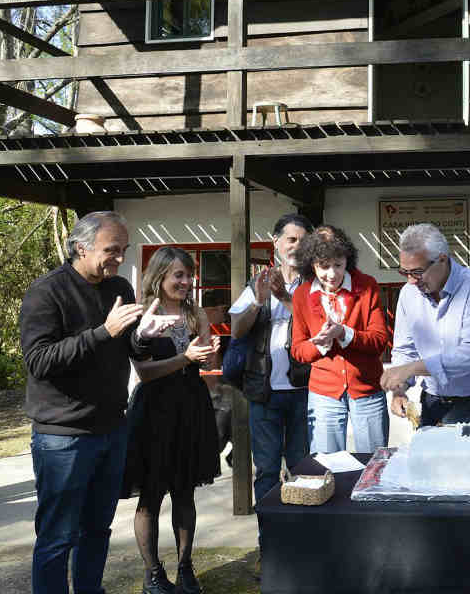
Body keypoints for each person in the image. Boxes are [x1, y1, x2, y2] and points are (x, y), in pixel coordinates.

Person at [19, 211, 179, 594]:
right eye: (111, 250)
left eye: (123, 250)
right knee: (58, 537)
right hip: (63, 437)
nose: (119, 258)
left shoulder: (118, 286)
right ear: (80, 247)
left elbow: (127, 348)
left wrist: (142, 335)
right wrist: (104, 332)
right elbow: (39, 361)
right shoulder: (47, 292)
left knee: (97, 530)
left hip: (111, 429)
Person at [120, 247, 221, 594]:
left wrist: (211, 353)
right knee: (150, 496)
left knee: (184, 492)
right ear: (159, 276)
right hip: (154, 413)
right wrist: (186, 357)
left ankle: (185, 567)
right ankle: (152, 574)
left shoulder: (196, 315)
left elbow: (206, 368)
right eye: (178, 274)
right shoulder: (144, 315)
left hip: (191, 409)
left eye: (189, 275)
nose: (186, 281)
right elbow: (145, 373)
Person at [227, 213, 314, 570]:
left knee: (303, 469)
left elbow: (318, 326)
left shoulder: (314, 284)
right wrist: (260, 301)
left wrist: (286, 298)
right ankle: (271, 545)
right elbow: (236, 330)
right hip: (264, 393)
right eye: (290, 239)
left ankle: (301, 544)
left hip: (303, 389)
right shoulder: (255, 283)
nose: (296, 246)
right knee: (265, 470)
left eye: (302, 240)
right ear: (275, 243)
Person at [381, 223, 470, 426]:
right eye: (405, 272)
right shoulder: (408, 293)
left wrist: (411, 369)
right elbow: (405, 349)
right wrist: (399, 389)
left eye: (417, 272)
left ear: (442, 260)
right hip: (433, 399)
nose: (411, 280)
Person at [291, 226, 391, 452]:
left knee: (374, 465)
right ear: (311, 265)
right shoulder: (301, 295)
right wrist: (320, 343)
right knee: (327, 466)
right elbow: (298, 351)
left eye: (338, 264)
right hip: (324, 393)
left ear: (348, 259)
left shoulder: (367, 285)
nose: (332, 274)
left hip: (367, 389)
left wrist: (344, 333)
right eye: (323, 266)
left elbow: (379, 341)